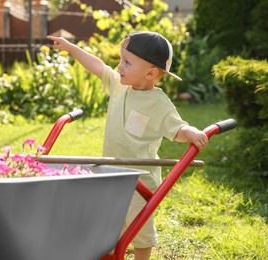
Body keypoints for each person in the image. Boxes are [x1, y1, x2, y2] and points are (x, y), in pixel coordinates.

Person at [47, 31, 208, 260]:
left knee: (140, 231)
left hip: (139, 180)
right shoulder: (119, 86)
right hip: (112, 174)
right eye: (121, 60)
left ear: (151, 73)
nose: (119, 66)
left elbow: (177, 128)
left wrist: (191, 132)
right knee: (108, 225)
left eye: (127, 62)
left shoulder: (159, 103)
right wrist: (71, 48)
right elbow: (98, 65)